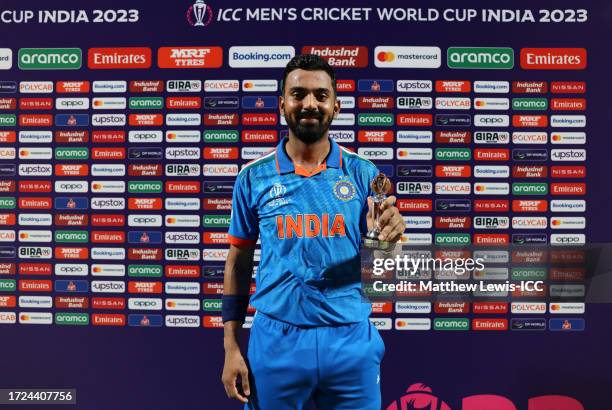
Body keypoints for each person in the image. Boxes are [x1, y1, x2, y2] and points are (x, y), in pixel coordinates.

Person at [221, 54, 405, 410]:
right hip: (277, 341)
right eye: (298, 94)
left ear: (336, 106)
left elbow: (384, 270)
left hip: (350, 341)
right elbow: (237, 260)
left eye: (320, 95)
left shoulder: (365, 175)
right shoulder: (253, 178)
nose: (309, 103)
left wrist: (388, 246)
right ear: (282, 104)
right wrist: (231, 346)